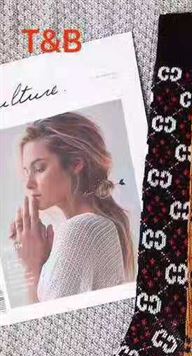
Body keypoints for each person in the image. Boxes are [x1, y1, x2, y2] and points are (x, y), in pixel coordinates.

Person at [9, 112, 135, 304]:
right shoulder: (93, 227)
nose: (28, 183)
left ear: (76, 163)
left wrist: (32, 268)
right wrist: (45, 260)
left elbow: (53, 320)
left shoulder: (80, 230)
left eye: (39, 168)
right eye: (27, 172)